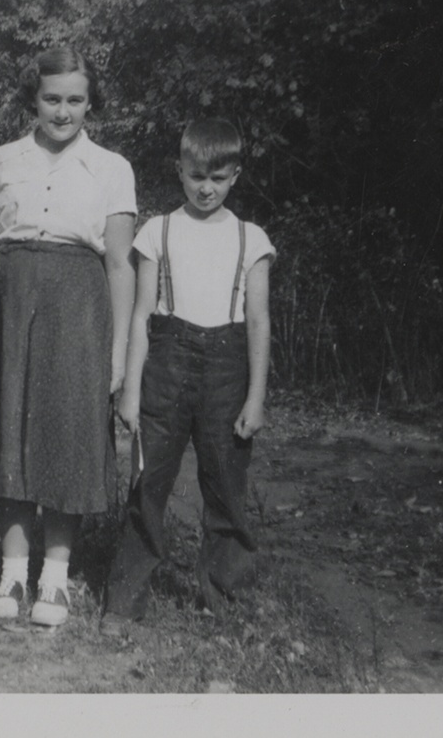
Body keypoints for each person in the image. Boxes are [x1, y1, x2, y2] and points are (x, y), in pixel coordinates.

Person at [0, 46, 137, 627]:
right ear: (32, 99)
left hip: (80, 305)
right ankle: (12, 571)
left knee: (68, 433)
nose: (63, 112)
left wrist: (119, 353)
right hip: (9, 301)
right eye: (52, 98)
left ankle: (54, 581)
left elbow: (119, 265)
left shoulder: (112, 168)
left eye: (75, 100)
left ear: (91, 103)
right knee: (10, 426)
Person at [99, 117, 275, 638]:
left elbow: (260, 322)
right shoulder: (159, 231)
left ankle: (223, 598)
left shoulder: (252, 239)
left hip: (228, 369)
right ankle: (124, 601)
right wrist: (131, 389)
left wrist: (256, 397)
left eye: (218, 178)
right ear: (179, 170)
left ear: (235, 176)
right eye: (197, 175)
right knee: (148, 483)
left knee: (224, 485)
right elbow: (139, 316)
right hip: (167, 366)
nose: (206, 188)